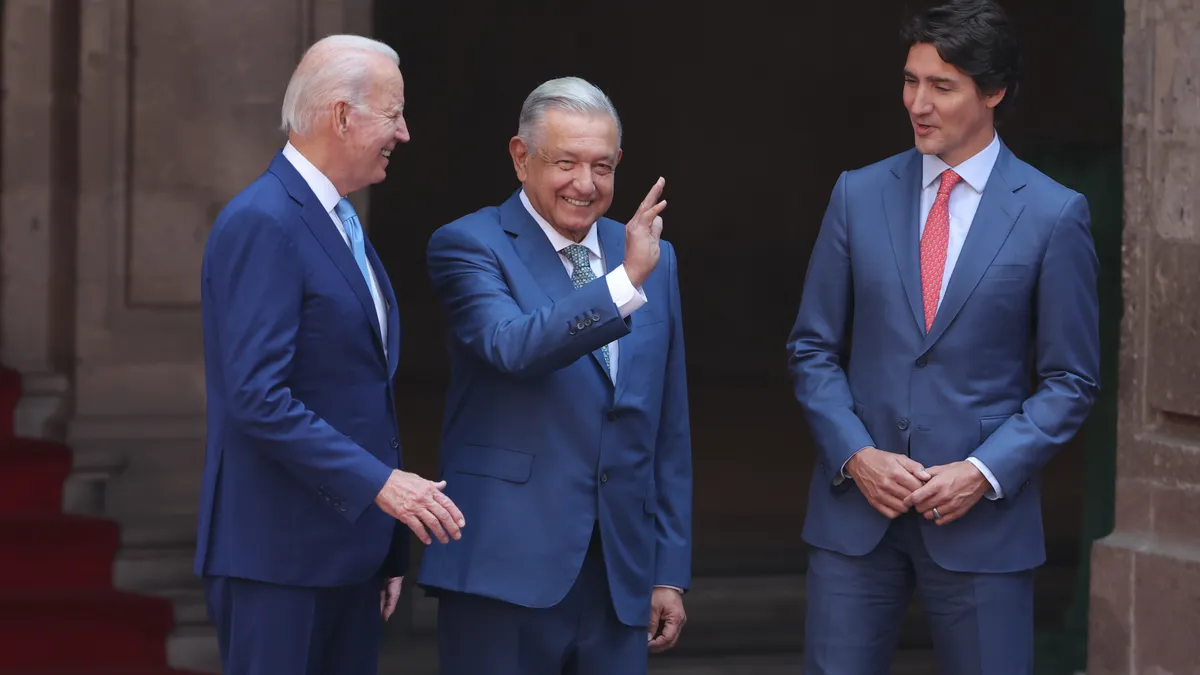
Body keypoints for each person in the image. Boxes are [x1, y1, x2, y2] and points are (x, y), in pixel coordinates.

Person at [785, 1, 1100, 672]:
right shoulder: (856, 194)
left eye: (941, 85)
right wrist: (856, 454)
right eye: (910, 80)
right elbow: (811, 347)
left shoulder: (1054, 214)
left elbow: (1071, 379)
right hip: (854, 516)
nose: (917, 103)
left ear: (993, 91)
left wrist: (982, 471)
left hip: (982, 524)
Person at [194, 34, 465, 675]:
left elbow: (357, 389)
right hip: (278, 560)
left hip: (349, 557)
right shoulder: (263, 220)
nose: (404, 133)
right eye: (393, 114)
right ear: (343, 115)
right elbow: (256, 397)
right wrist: (382, 488)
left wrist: (384, 549)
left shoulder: (337, 219)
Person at [417, 76, 693, 674]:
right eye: (564, 163)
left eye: (602, 165)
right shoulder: (470, 244)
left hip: (620, 571)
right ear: (521, 158)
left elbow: (666, 422)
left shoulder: (649, 254)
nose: (585, 185)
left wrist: (667, 569)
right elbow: (511, 346)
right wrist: (623, 285)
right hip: (505, 567)